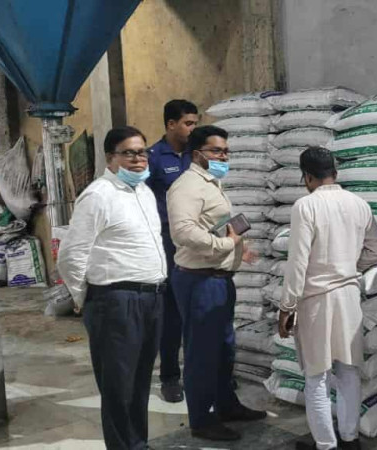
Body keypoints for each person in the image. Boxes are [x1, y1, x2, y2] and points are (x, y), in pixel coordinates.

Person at [58, 126, 167, 450]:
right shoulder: (98, 195)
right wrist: (86, 298)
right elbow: (71, 255)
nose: (138, 159)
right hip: (116, 301)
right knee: (118, 387)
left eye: (142, 152)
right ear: (110, 158)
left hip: (151, 297)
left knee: (140, 382)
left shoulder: (144, 192)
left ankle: (138, 444)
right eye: (129, 153)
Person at [277, 147, 377, 450]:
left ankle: (325, 445)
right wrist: (349, 268)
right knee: (349, 370)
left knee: (317, 376)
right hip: (349, 296)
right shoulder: (359, 204)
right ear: (335, 173)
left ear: (307, 177)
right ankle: (350, 439)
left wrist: (286, 306)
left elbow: (297, 263)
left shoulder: (305, 206)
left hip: (316, 300)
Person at [167, 125, 265, 441]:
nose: (223, 156)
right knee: (202, 353)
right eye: (217, 151)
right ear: (198, 154)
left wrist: (239, 248)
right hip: (199, 281)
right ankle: (202, 419)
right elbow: (183, 231)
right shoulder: (186, 187)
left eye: (226, 151)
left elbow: (215, 224)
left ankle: (226, 404)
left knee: (223, 349)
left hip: (219, 279)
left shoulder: (211, 183)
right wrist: (225, 245)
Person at [146, 99, 199, 403]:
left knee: (197, 306)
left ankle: (200, 372)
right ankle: (169, 377)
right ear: (170, 124)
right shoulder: (154, 158)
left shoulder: (197, 154)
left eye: (195, 123)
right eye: (188, 123)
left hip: (197, 237)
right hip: (167, 239)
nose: (193, 128)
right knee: (171, 310)